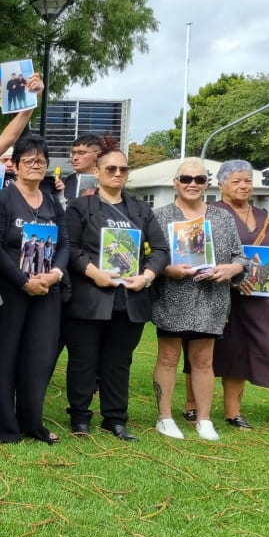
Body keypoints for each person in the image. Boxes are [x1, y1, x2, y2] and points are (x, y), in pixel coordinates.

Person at [62, 147, 167, 440]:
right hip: (89, 298)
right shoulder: (79, 207)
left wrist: (146, 276)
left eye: (123, 169)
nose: (118, 173)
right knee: (83, 360)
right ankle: (80, 417)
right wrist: (93, 272)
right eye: (111, 168)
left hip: (130, 300)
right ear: (97, 172)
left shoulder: (141, 210)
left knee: (119, 363)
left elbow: (160, 249)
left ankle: (116, 418)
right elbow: (70, 247)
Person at [0, 135, 69, 444]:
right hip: (10, 290)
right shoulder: (1, 201)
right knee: (1, 357)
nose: (35, 165)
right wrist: (23, 282)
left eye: (41, 160)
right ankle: (0, 424)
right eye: (28, 160)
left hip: (46, 292)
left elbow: (65, 243)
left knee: (37, 358)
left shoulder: (52, 202)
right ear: (15, 165)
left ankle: (32, 422)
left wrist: (55, 274)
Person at [152, 158, 246, 441]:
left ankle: (204, 419)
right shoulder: (159, 216)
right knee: (168, 357)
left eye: (199, 179)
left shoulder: (222, 217)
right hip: (173, 296)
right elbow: (150, 257)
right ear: (175, 183)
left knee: (204, 360)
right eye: (186, 179)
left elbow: (240, 257)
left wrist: (230, 269)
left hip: (211, 298)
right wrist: (167, 269)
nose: (192, 184)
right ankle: (164, 417)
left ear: (207, 184)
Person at [210, 160, 269, 428]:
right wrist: (234, 279)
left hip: (266, 297)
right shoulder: (213, 214)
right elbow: (207, 253)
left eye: (248, 181)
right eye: (237, 181)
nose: (244, 186)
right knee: (234, 351)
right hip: (228, 296)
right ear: (221, 185)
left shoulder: (263, 216)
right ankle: (233, 413)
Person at [54, 134, 105, 205]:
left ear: (98, 155)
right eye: (73, 153)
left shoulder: (108, 182)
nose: (75, 158)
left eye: (81, 153)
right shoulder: (62, 185)